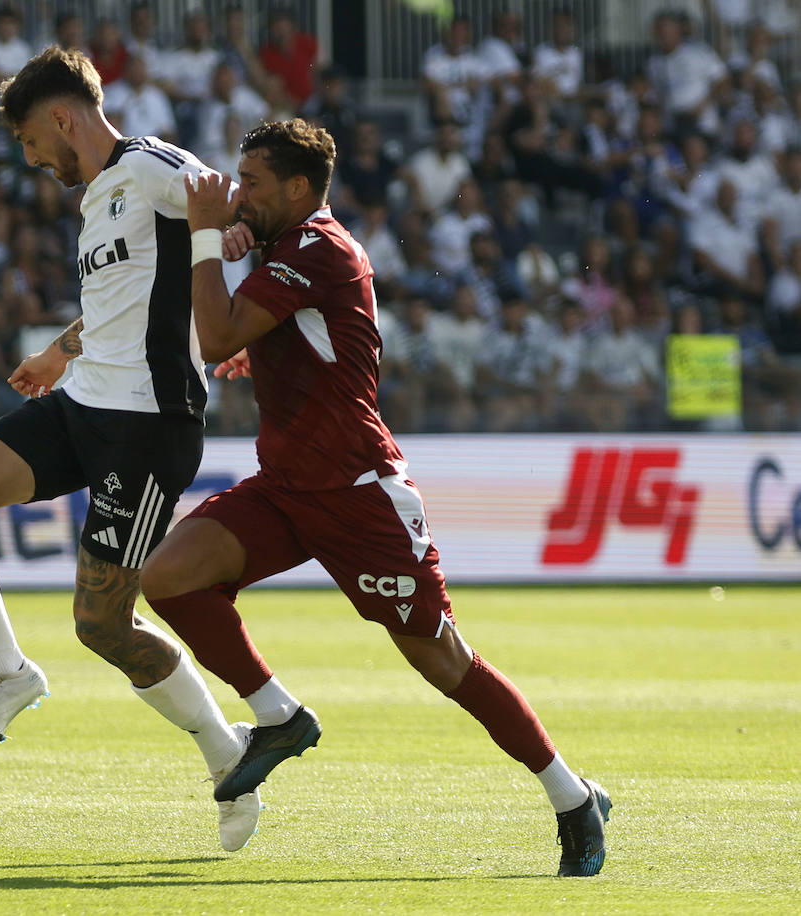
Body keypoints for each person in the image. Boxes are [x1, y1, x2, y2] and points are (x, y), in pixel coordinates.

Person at [136, 118, 612, 877]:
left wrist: (206, 241)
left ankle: (572, 797)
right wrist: (258, 324)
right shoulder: (285, 245)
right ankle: (278, 715)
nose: (239, 194)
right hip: (289, 487)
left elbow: (219, 334)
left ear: (297, 188)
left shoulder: (320, 248)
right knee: (165, 577)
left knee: (442, 660)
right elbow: (273, 334)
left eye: (252, 182)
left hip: (359, 493)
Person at [0, 47, 262, 852]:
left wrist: (246, 286)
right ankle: (7, 674)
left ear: (63, 118)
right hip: (82, 401)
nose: (31, 158)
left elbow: (235, 206)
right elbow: (123, 296)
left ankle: (226, 754)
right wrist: (61, 350)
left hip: (147, 425)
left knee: (102, 624)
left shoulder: (151, 167)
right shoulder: (99, 194)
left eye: (32, 141)